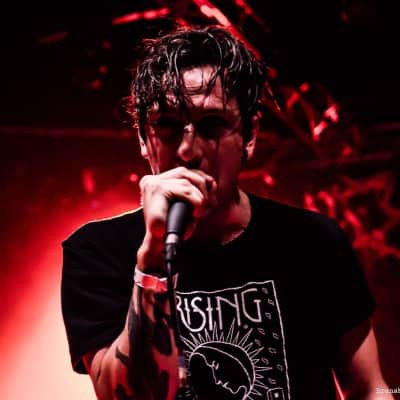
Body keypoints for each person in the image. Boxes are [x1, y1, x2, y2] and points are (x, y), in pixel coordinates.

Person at [61, 25, 393, 400]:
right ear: (142, 137)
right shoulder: (97, 250)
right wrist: (152, 260)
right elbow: (121, 395)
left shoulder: (312, 241)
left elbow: (371, 388)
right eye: (167, 125)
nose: (187, 150)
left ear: (249, 136)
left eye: (212, 125)